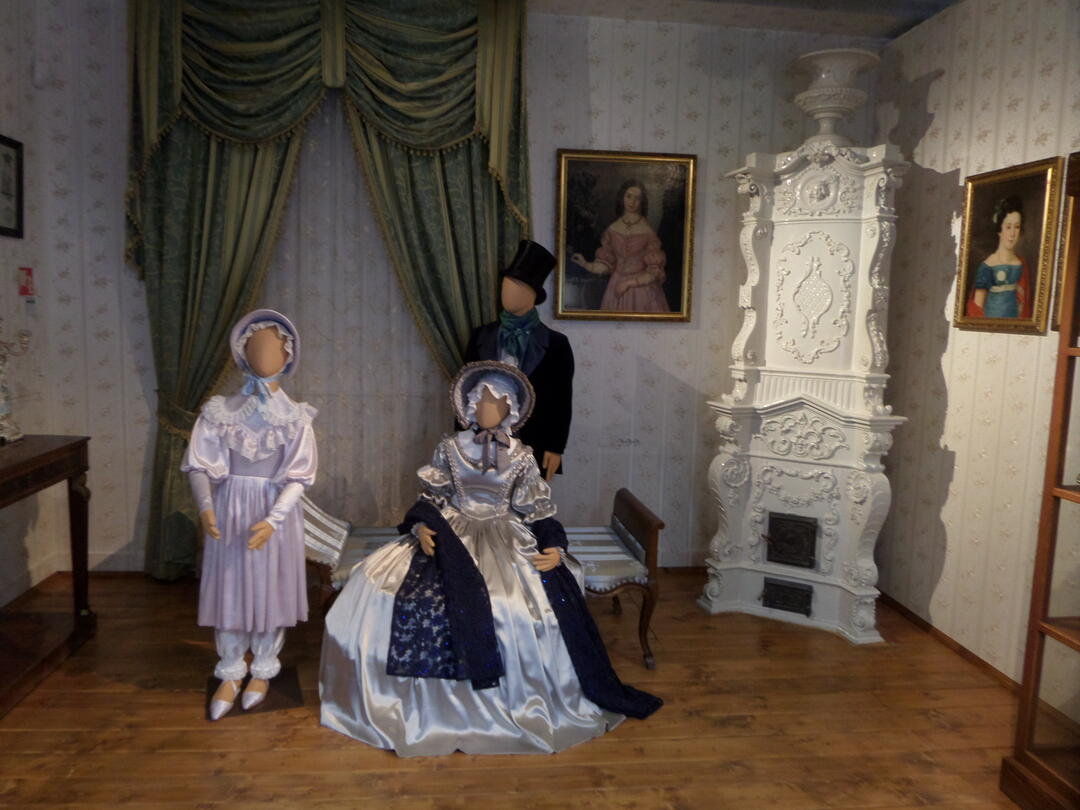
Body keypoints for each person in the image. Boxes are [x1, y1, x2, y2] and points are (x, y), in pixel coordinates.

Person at [319, 361, 661, 756]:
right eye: (479, 401)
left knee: (518, 602)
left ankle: (519, 694)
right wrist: (422, 526)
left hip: (504, 532)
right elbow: (430, 498)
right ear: (467, 405)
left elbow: (538, 510)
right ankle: (421, 701)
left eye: (495, 402)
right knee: (388, 586)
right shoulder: (450, 447)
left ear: (509, 408)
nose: (485, 408)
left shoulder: (521, 455)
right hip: (454, 528)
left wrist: (553, 545)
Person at [182, 309, 318, 720]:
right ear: (241, 351)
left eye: (273, 347)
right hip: (230, 508)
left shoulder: (296, 417)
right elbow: (199, 464)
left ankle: (262, 668)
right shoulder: (220, 411)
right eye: (255, 346)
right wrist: (206, 507)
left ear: (288, 355)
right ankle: (229, 669)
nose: (263, 354)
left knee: (269, 588)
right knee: (231, 587)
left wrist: (274, 519)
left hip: (273, 511)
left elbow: (299, 475)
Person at [465, 240, 573, 480]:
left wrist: (556, 447)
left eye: (517, 286)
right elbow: (465, 390)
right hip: (482, 443)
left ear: (532, 295)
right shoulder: (481, 336)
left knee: (527, 501)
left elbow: (562, 402)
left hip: (534, 444)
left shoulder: (556, 344)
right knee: (481, 499)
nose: (508, 292)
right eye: (505, 285)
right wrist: (461, 439)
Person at [572, 180, 669, 313]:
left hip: (642, 289)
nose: (632, 202)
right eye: (629, 196)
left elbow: (653, 272)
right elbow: (607, 265)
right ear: (622, 197)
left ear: (642, 202)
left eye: (637, 198)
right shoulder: (612, 229)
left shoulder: (648, 232)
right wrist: (586, 265)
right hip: (615, 288)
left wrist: (628, 284)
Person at [966, 195, 1031, 319]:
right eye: (1008, 227)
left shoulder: (1021, 264)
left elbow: (1025, 308)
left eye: (1017, 227)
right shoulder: (988, 266)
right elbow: (976, 310)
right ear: (999, 229)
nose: (1012, 233)